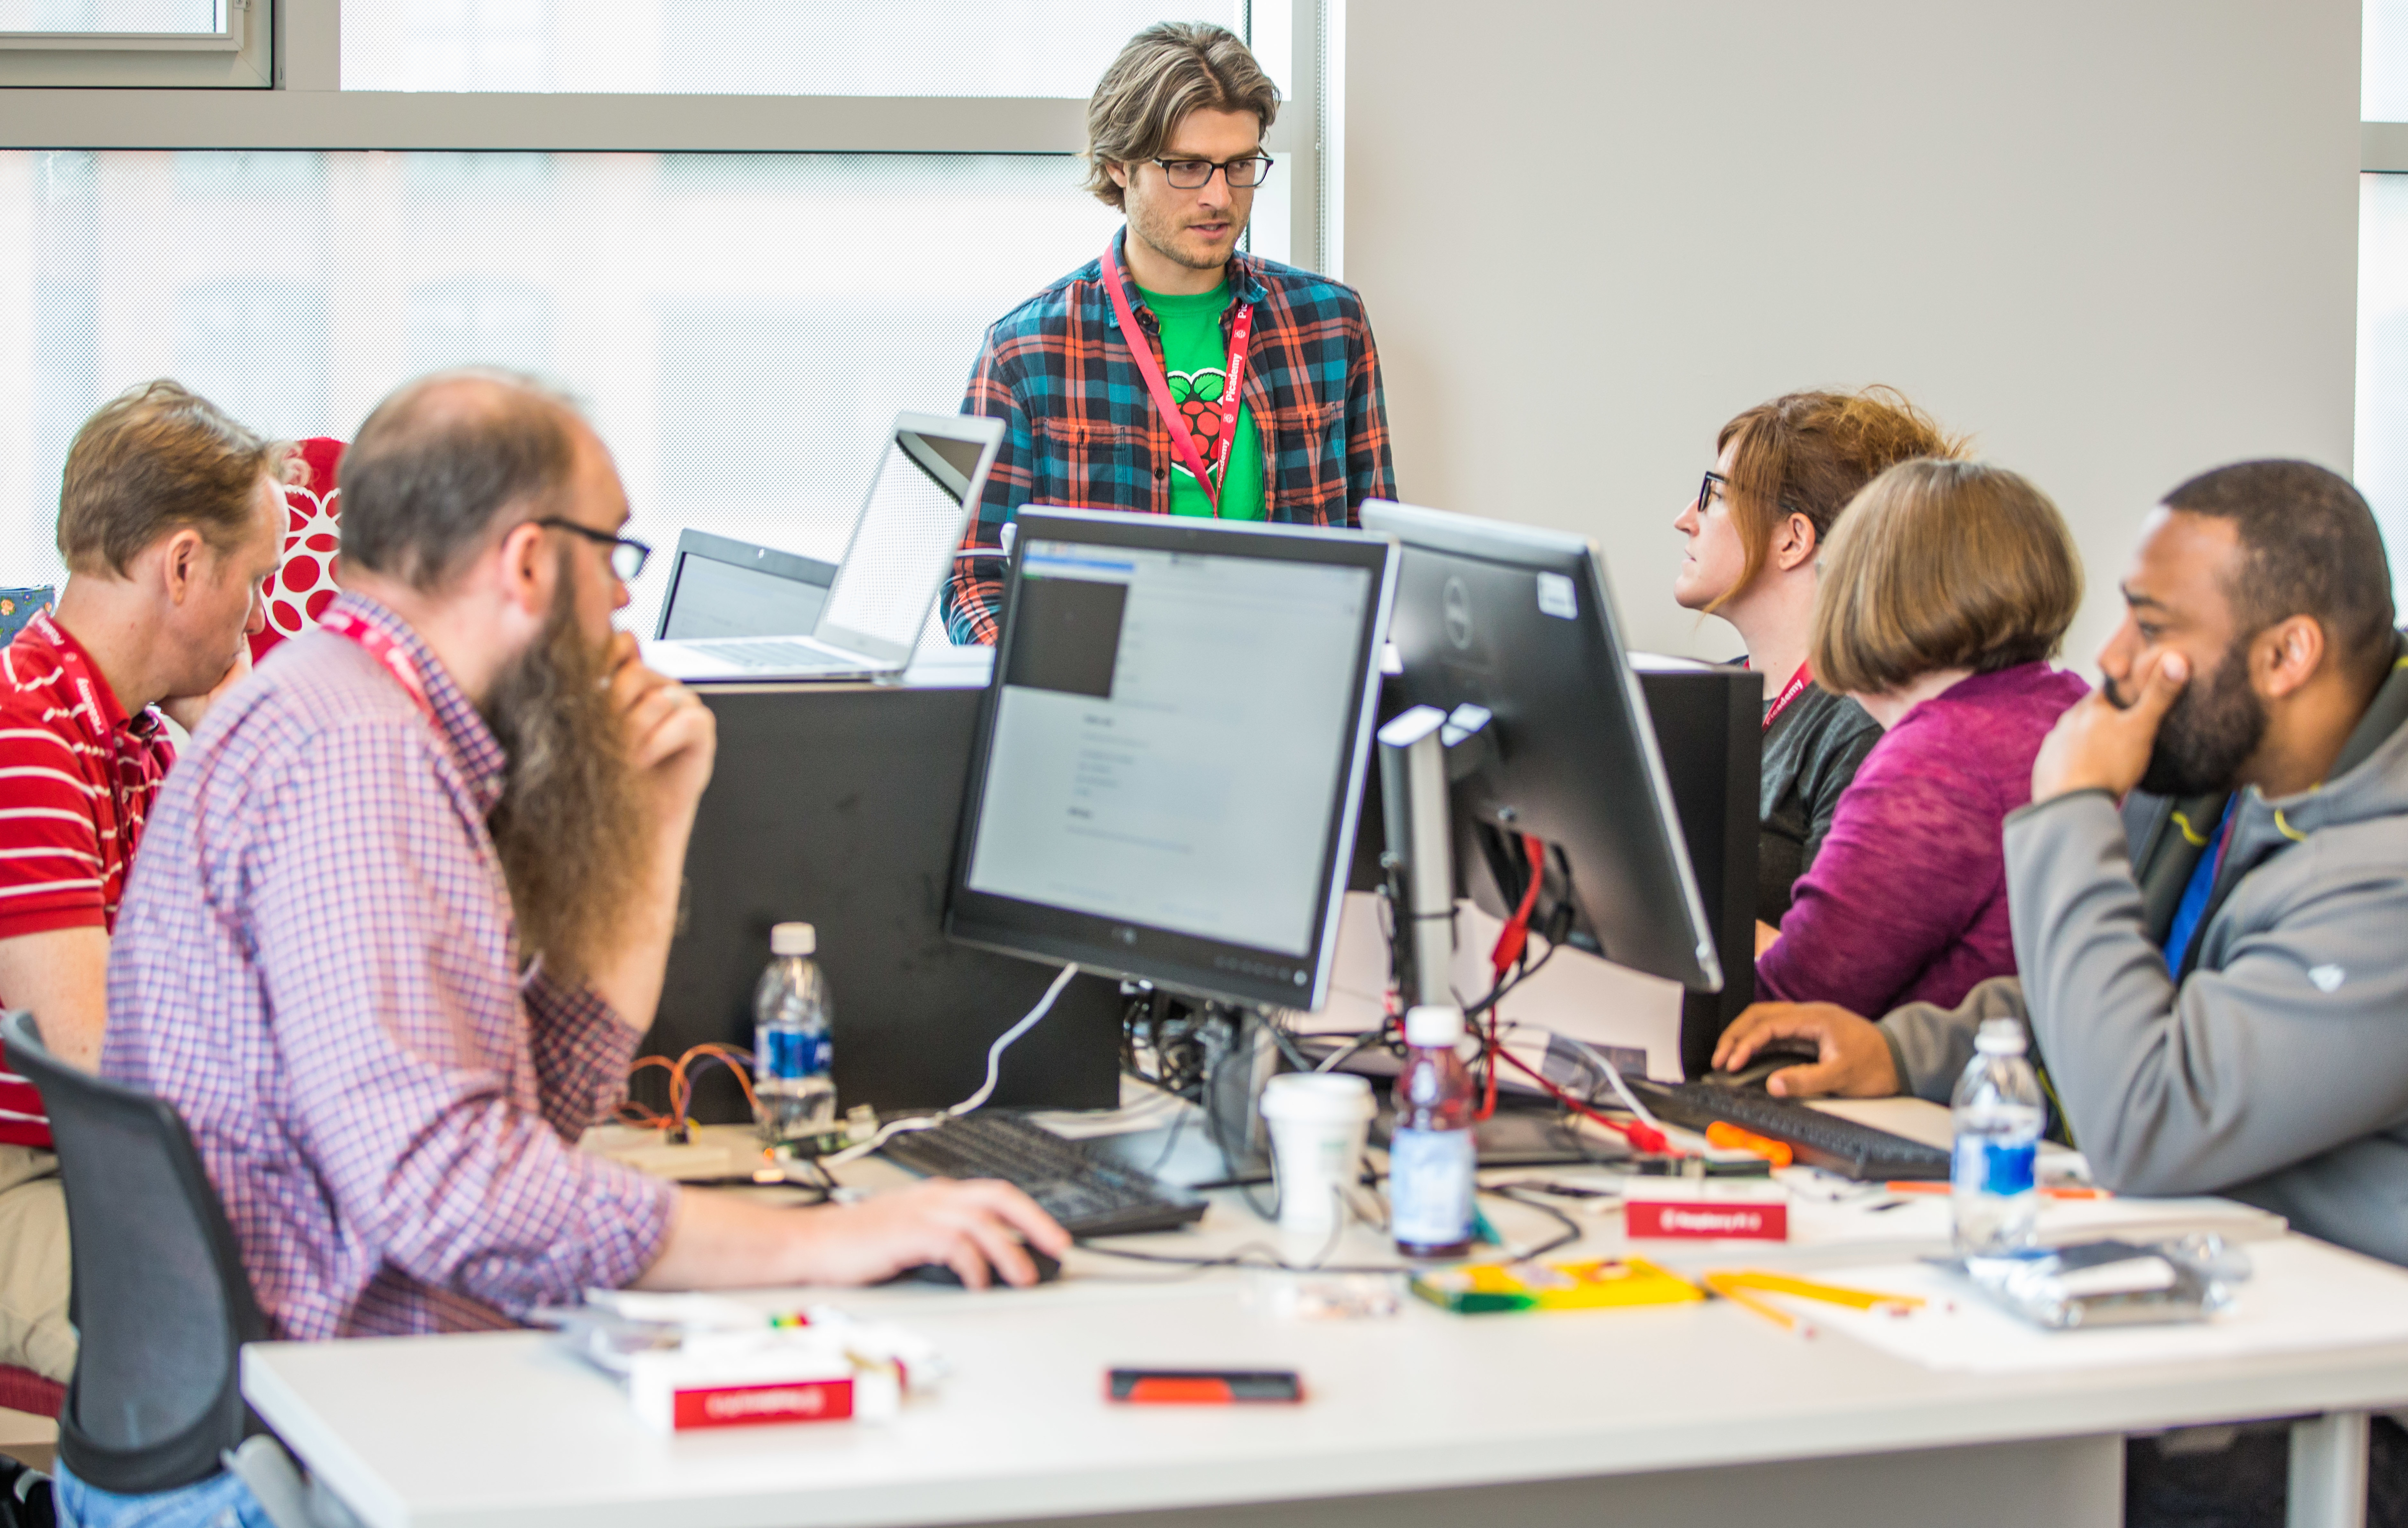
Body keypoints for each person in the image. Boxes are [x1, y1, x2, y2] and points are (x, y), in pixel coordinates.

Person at [87, 372, 1066, 1523]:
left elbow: (526, 1119)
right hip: (294, 1467)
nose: (619, 605)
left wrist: (652, 830)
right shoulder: (357, 761)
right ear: (529, 563)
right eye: (613, 557)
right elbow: (452, 1195)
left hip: (321, 1415)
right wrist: (832, 1243)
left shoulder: (354, 712)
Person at [1713, 459, 2408, 1526]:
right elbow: (2102, 995)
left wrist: (2073, 805)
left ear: (2287, 653)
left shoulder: (2385, 873)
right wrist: (1905, 1050)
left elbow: (2151, 1118)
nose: (2110, 661)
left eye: (2150, 625)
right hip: (2216, 1291)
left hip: (2355, 1390)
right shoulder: (2224, 775)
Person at [940, 21, 1396, 645]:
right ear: (1119, 166)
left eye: (1239, 165)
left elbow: (1381, 544)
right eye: (1187, 167)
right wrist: (1043, 698)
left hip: (1293, 693)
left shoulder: (1328, 323)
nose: (1219, 195)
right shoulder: (1028, 350)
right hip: (1107, 705)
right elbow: (974, 577)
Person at [0, 380, 282, 1385]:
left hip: (91, 1165)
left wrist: (231, 722)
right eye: (254, 581)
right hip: (30, 1179)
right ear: (184, 565)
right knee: (275, 1341)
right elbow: (98, 1062)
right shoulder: (22, 734)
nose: (253, 619)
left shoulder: (123, 739)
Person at [1751, 459, 2088, 1019]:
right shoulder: (2066, 702)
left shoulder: (1938, 760)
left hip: (1918, 1093)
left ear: (1872, 594)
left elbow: (1797, 998)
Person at [1673, 386, 1968, 925]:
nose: (1686, 518)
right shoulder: (1702, 699)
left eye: (1715, 493)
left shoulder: (1865, 729)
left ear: (1793, 539)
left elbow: (1824, 970)